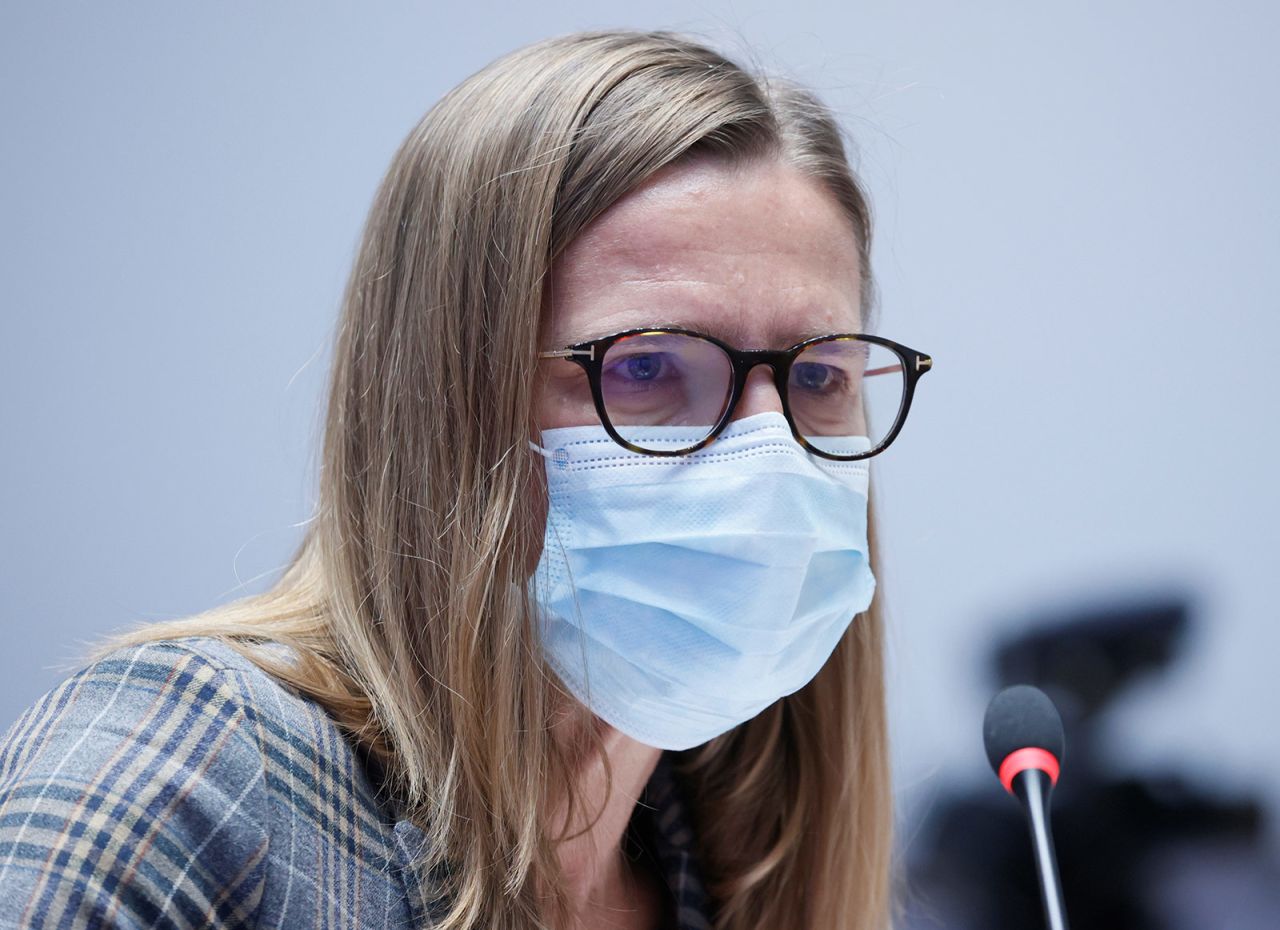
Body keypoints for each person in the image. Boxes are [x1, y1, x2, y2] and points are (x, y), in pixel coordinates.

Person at [0, 27, 931, 930]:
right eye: (646, 368)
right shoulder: (180, 781)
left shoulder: (729, 866)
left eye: (817, 377)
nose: (766, 450)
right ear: (445, 401)